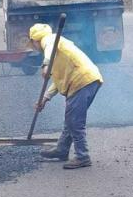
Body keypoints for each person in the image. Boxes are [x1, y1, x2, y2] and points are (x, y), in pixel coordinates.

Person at [30, 24, 103, 169]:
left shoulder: (49, 40)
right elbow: (58, 81)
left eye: (32, 43)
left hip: (81, 80)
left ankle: (82, 156)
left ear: (35, 40)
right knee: (71, 119)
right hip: (87, 80)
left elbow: (49, 48)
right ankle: (62, 150)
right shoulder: (56, 50)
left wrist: (45, 64)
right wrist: (45, 98)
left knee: (75, 122)